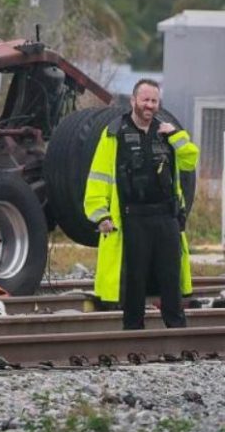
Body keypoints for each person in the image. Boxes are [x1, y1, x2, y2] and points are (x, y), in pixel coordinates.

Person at [84, 79, 199, 329]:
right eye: (145, 100)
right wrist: (100, 214)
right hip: (132, 218)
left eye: (154, 101)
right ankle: (134, 331)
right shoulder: (115, 133)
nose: (149, 105)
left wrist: (177, 135)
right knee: (134, 278)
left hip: (166, 217)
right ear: (133, 101)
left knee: (171, 276)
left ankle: (177, 328)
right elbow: (98, 177)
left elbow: (190, 161)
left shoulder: (167, 133)